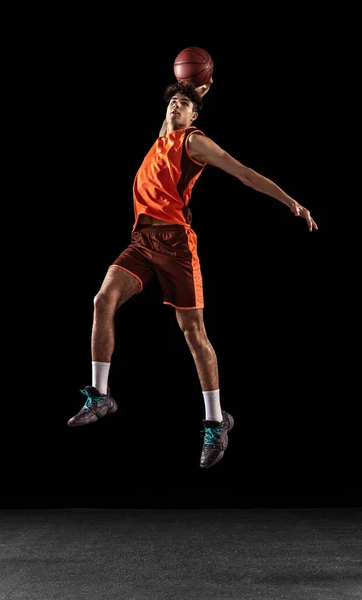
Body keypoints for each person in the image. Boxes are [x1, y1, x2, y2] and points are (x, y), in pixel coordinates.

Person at [67, 79, 318, 469]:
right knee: (102, 300)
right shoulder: (162, 136)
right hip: (141, 241)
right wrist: (195, 87)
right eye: (173, 103)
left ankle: (216, 421)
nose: (175, 107)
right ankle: (101, 396)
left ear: (194, 115)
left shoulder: (193, 141)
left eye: (184, 104)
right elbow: (176, 106)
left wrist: (291, 201)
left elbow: (243, 172)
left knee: (193, 333)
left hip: (176, 245)